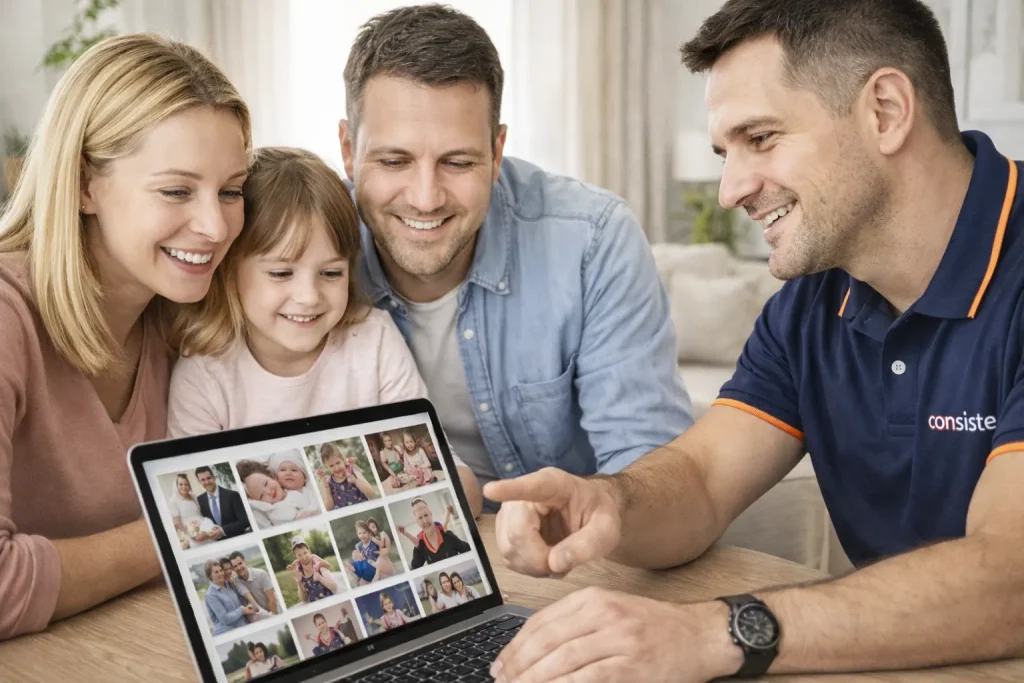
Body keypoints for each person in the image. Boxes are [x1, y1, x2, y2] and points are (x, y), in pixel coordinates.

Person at [484, 1, 1024, 682]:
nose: (732, 187)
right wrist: (609, 502)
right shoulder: (811, 304)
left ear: (885, 110)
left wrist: (720, 630)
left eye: (761, 138)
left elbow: (1013, 576)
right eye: (725, 152)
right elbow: (704, 481)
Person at [339, 5, 694, 508]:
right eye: (394, 160)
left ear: (497, 149)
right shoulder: (303, 249)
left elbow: (652, 466)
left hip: (575, 553)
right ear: (347, 148)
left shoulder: (593, 239)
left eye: (458, 162)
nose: (425, 197)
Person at [0, 32, 251, 640]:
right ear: (86, 184)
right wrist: (183, 529)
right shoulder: (7, 319)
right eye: (175, 190)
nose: (216, 226)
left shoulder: (186, 317)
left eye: (232, 189)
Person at [166, 145, 482, 514]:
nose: (308, 296)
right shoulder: (204, 374)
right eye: (281, 273)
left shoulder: (372, 339)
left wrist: (453, 488)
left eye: (331, 273)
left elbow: (451, 475)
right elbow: (193, 509)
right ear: (228, 270)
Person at [236, 459, 318, 526]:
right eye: (261, 496)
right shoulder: (274, 511)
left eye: (266, 484)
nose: (269, 492)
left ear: (273, 477)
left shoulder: (294, 490)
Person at [397, 499, 470, 568]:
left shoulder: (448, 535)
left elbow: (467, 549)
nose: (425, 521)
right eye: (420, 518)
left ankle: (448, 511)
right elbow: (415, 564)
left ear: (430, 514)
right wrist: (406, 534)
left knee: (445, 525)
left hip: (443, 530)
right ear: (417, 521)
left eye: (426, 515)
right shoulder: (421, 544)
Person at [203, 560, 260, 635]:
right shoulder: (211, 595)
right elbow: (224, 618)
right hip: (228, 633)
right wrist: (242, 610)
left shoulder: (229, 583)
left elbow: (240, 602)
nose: (221, 573)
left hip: (243, 626)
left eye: (221, 570)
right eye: (216, 572)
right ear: (210, 576)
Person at [194, 466, 251, 539]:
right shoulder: (199, 500)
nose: (207, 482)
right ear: (199, 482)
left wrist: (223, 530)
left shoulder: (232, 495)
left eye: (209, 478)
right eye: (203, 480)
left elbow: (245, 521)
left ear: (214, 478)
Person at [167, 473, 216, 549]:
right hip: (191, 534)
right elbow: (177, 523)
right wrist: (193, 535)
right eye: (181, 484)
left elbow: (199, 514)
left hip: (204, 529)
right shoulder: (173, 501)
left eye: (186, 484)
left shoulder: (193, 496)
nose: (184, 487)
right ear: (176, 485)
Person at [288, 537, 338, 604]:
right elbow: (304, 599)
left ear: (309, 550)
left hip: (328, 599)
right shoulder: (298, 569)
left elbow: (328, 565)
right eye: (299, 555)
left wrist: (319, 564)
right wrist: (299, 581)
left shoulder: (314, 558)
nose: (304, 558)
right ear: (295, 556)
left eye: (305, 552)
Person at [229, 552, 278, 616]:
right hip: (262, 615)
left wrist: (273, 616)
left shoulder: (261, 574)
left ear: (245, 561)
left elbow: (272, 600)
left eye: (240, 563)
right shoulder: (237, 581)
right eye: (235, 566)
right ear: (233, 569)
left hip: (275, 612)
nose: (238, 568)